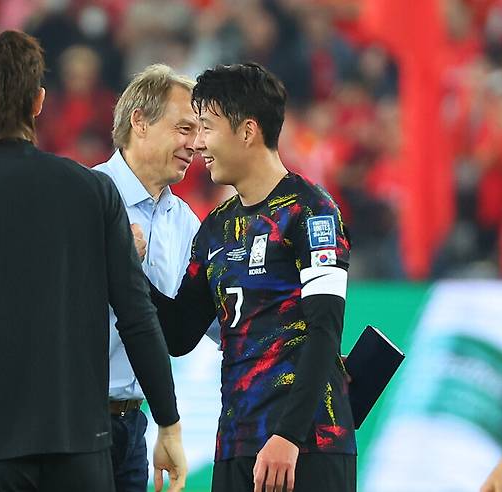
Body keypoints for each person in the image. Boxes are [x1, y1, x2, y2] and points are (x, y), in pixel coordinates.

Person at [0, 29, 186, 492]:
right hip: (81, 444)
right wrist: (168, 423)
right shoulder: (93, 192)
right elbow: (137, 315)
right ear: (39, 102)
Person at [149, 63, 357, 492]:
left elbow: (324, 330)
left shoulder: (312, 212)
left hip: (307, 447)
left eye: (207, 127)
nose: (199, 143)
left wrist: (288, 436)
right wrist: (126, 265)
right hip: (237, 446)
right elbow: (177, 334)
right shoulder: (216, 228)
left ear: (247, 131)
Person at [93, 63, 217, 492]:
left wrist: (292, 350)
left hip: (133, 424)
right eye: (184, 128)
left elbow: (222, 317)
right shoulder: (84, 197)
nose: (196, 144)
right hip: (70, 422)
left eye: (199, 131)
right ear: (139, 122)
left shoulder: (183, 221)